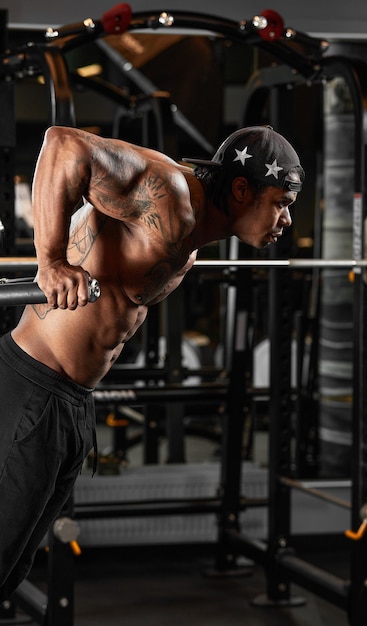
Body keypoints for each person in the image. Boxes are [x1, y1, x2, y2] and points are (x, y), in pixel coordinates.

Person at [0, 124, 304, 599]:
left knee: (12, 571)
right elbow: (63, 143)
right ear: (242, 188)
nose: (286, 221)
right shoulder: (170, 195)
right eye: (281, 203)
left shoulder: (195, 233)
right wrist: (51, 261)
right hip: (33, 389)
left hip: (71, 401)